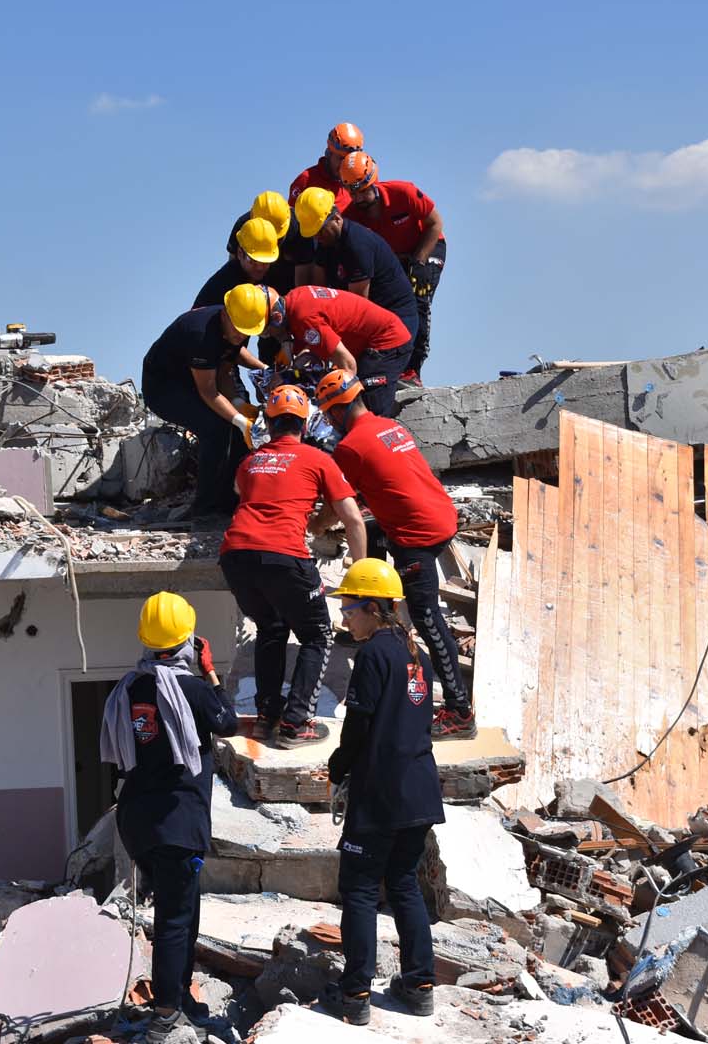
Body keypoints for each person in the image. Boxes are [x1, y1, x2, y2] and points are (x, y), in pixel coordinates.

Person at [100, 592, 239, 1044]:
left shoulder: (130, 687)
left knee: (182, 908)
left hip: (140, 821)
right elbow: (228, 722)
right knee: (176, 918)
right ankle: (165, 1016)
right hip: (178, 819)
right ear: (187, 641)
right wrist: (211, 672)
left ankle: (181, 999)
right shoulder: (192, 688)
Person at [314, 369, 474, 739]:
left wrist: (316, 526)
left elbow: (338, 506)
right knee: (370, 539)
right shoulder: (391, 427)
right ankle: (371, 621)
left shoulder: (349, 448)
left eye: (328, 414)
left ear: (336, 412)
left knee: (427, 618)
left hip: (416, 534)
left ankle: (460, 712)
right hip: (438, 513)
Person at [321, 558, 443, 1026]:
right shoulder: (417, 655)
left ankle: (355, 994)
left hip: (381, 795)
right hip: (419, 791)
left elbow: (359, 724)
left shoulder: (373, 654)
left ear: (373, 607)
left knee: (358, 888)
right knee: (405, 884)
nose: (344, 617)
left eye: (349, 607)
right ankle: (420, 984)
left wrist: (338, 766)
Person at [219, 384, 367, 747]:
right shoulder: (318, 460)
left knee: (271, 627)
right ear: (305, 423)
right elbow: (353, 518)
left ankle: (269, 717)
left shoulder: (249, 461)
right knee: (318, 634)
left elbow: (246, 494)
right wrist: (361, 574)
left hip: (236, 555)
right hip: (283, 555)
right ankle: (296, 723)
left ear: (268, 423)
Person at [142, 285, 270, 516]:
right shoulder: (201, 335)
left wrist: (239, 405)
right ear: (225, 315)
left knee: (237, 432)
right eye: (239, 331)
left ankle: (232, 499)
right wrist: (240, 420)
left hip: (196, 381)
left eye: (246, 333)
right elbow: (209, 391)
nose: (241, 337)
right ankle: (205, 508)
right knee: (216, 429)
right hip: (164, 388)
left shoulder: (238, 325)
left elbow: (224, 371)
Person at [338, 151, 446, 386]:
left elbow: (435, 223)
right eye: (352, 193)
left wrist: (418, 262)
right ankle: (393, 363)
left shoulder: (403, 193)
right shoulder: (352, 217)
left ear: (373, 182)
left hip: (426, 246)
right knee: (391, 305)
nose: (358, 199)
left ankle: (413, 370)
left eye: (362, 191)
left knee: (418, 297)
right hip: (393, 260)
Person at [260, 284, 413, 417]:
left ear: (277, 318)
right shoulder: (295, 299)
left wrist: (331, 410)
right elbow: (314, 353)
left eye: (267, 332)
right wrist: (289, 374)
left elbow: (348, 366)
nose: (269, 336)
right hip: (374, 340)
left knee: (368, 410)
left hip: (388, 342)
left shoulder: (304, 320)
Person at [293, 188, 419, 345]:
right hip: (372, 320)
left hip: (397, 324)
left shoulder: (357, 245)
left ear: (337, 218)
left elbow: (358, 309)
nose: (317, 237)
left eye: (320, 230)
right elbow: (318, 292)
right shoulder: (326, 242)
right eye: (313, 233)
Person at [222, 191, 307, 296]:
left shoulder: (299, 229)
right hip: (254, 290)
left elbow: (303, 281)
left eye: (277, 239)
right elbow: (234, 270)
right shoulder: (243, 227)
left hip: (288, 286)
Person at [193, 216, 284, 309]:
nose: (260, 267)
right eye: (253, 261)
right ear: (240, 254)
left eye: (265, 262)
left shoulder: (275, 273)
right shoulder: (224, 286)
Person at [288, 122, 361, 210]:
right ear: (329, 153)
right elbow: (292, 220)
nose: (345, 165)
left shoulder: (361, 180)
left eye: (350, 160)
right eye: (341, 158)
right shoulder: (306, 180)